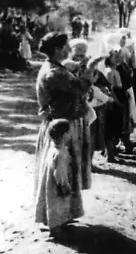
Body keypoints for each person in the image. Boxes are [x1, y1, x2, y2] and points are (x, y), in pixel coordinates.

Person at [34, 33, 102, 231]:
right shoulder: (54, 73)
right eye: (65, 46)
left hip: (62, 124)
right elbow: (80, 87)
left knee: (65, 172)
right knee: (59, 173)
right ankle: (54, 220)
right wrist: (89, 70)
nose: (68, 49)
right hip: (61, 127)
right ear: (57, 49)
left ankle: (62, 216)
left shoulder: (55, 68)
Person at [34, 119, 83, 236]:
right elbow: (59, 172)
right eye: (70, 132)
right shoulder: (60, 154)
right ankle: (54, 230)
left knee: (55, 205)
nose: (72, 134)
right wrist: (64, 185)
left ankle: (56, 224)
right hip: (57, 186)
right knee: (56, 205)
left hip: (50, 184)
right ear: (64, 135)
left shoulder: (54, 149)